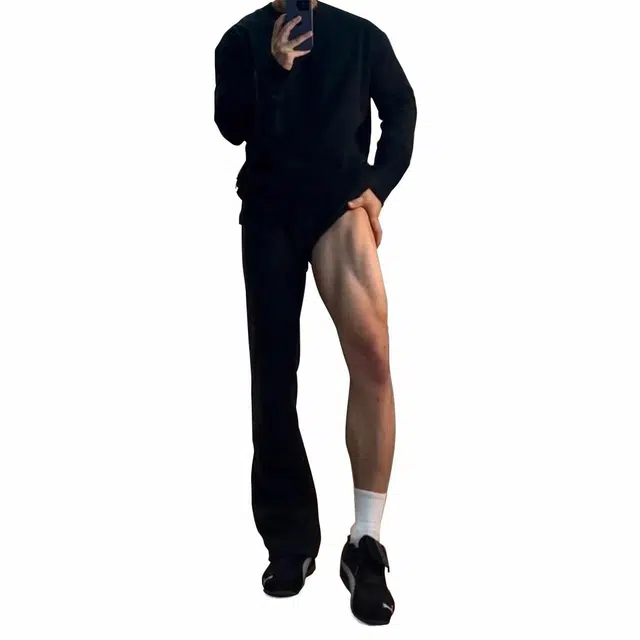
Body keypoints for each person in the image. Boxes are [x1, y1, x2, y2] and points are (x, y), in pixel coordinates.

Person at [214, 0, 416, 625]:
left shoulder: (361, 37)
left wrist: (378, 186)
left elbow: (401, 108)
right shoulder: (239, 41)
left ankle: (366, 542)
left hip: (338, 208)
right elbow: (230, 125)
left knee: (373, 358)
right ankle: (290, 541)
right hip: (269, 213)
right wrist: (274, 68)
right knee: (274, 377)